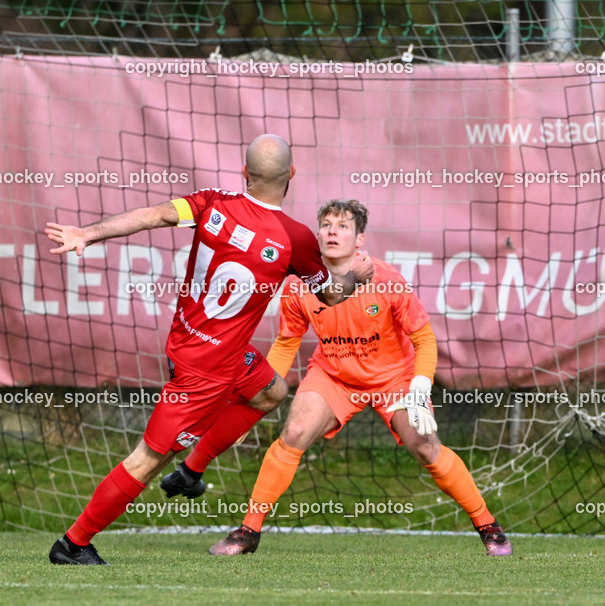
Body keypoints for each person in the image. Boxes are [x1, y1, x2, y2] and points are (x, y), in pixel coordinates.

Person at [45, 135, 374, 564]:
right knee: (147, 460)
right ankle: (73, 543)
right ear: (292, 174)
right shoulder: (294, 238)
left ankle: (191, 470)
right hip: (204, 372)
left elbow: (153, 215)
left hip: (200, 344)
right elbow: (331, 295)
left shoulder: (210, 202)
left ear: (245, 173)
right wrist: (358, 276)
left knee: (271, 392)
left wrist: (87, 232)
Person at [206, 199, 512, 557]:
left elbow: (424, 340)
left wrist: (419, 387)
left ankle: (489, 527)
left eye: (343, 225)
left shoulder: (386, 279)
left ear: (360, 239)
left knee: (427, 446)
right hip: (333, 375)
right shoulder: (299, 286)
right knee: (294, 433)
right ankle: (248, 532)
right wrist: (255, 402)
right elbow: (286, 343)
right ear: (317, 234)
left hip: (395, 378)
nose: (333, 230)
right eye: (326, 224)